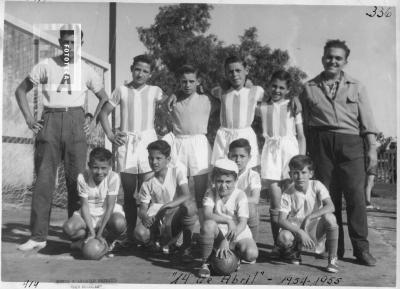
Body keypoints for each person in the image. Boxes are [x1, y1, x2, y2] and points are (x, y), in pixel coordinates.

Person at [15, 25, 108, 251]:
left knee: (77, 182)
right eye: (65, 43)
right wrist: (29, 119)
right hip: (50, 120)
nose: (69, 47)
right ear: (59, 43)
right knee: (44, 180)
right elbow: (20, 91)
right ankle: (38, 236)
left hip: (76, 121)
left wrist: (93, 121)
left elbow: (104, 98)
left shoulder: (86, 69)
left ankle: (76, 236)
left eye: (73, 44)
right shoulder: (46, 65)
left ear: (80, 45)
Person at [301, 39, 378, 266]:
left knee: (355, 197)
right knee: (328, 196)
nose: (332, 61)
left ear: (345, 61)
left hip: (351, 142)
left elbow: (368, 122)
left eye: (338, 58)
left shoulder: (357, 86)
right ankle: (334, 246)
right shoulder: (308, 87)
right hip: (321, 144)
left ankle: (361, 249)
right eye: (329, 56)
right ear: (323, 57)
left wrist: (371, 148)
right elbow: (304, 122)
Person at [99, 55, 170, 246]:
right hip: (127, 144)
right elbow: (104, 114)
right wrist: (111, 136)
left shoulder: (155, 91)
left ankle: (151, 237)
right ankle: (131, 236)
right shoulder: (121, 90)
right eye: (137, 69)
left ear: (150, 74)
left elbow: (171, 103)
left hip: (148, 142)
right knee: (130, 195)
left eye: (145, 71)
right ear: (132, 69)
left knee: (150, 193)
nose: (141, 74)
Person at [257, 70, 306, 254]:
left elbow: (301, 136)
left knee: (293, 201)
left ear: (288, 90)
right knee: (275, 203)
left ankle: (294, 244)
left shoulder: (293, 106)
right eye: (274, 86)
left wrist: (301, 160)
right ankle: (278, 243)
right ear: (269, 85)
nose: (277, 90)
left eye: (282, 87)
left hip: (290, 152)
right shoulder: (261, 106)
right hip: (270, 153)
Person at [162, 65, 213, 217]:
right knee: (179, 191)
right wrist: (174, 94)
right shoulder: (173, 101)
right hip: (179, 144)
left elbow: (224, 92)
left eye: (192, 81)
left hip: (199, 144)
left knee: (200, 192)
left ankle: (204, 229)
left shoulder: (208, 99)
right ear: (179, 82)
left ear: (199, 81)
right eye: (184, 82)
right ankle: (180, 234)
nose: (188, 85)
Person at [134, 140, 197, 258]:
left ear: (168, 159)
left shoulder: (176, 172)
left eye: (158, 158)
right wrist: (144, 216)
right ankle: (154, 243)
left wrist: (167, 206)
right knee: (139, 233)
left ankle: (185, 246)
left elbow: (187, 195)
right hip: (156, 214)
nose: (154, 162)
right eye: (151, 158)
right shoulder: (148, 181)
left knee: (189, 207)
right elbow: (142, 208)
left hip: (174, 211)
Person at [277, 155, 339, 273]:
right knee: (283, 237)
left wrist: (311, 216)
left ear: (310, 174)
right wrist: (300, 232)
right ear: (290, 175)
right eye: (296, 173)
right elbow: (281, 220)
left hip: (315, 228)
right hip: (297, 229)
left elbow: (331, 206)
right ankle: (294, 250)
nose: (300, 177)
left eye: (304, 172)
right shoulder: (287, 193)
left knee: (330, 218)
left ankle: (333, 260)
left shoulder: (316, 185)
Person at [198, 158, 259, 278]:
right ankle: (205, 263)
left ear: (235, 180)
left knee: (251, 254)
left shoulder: (240, 195)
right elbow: (207, 214)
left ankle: (235, 257)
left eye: (228, 181)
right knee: (208, 224)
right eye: (219, 181)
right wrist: (228, 220)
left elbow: (242, 223)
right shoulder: (210, 192)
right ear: (213, 179)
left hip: (238, 232)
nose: (223, 186)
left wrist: (226, 241)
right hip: (219, 231)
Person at [62, 147, 126, 251]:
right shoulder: (82, 177)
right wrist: (92, 232)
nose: (99, 172)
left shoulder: (114, 177)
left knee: (119, 223)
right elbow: (84, 206)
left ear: (110, 167)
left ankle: (108, 241)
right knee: (68, 228)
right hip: (89, 213)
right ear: (89, 165)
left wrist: (100, 233)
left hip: (106, 213)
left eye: (104, 168)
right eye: (95, 167)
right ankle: (83, 241)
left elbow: (110, 206)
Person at [210, 55, 264, 168]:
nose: (234, 74)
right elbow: (211, 91)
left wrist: (295, 99)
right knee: (223, 169)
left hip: (245, 133)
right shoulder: (221, 91)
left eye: (238, 70)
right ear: (226, 74)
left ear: (246, 71)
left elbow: (273, 99)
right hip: (224, 134)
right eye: (230, 71)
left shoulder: (256, 91)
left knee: (247, 170)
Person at [228, 138, 261, 239]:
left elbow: (255, 199)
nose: (238, 160)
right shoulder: (223, 173)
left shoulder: (253, 175)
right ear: (228, 156)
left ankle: (252, 241)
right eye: (234, 156)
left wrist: (235, 200)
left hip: (244, 211)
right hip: (227, 211)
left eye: (242, 156)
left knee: (251, 207)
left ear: (249, 157)